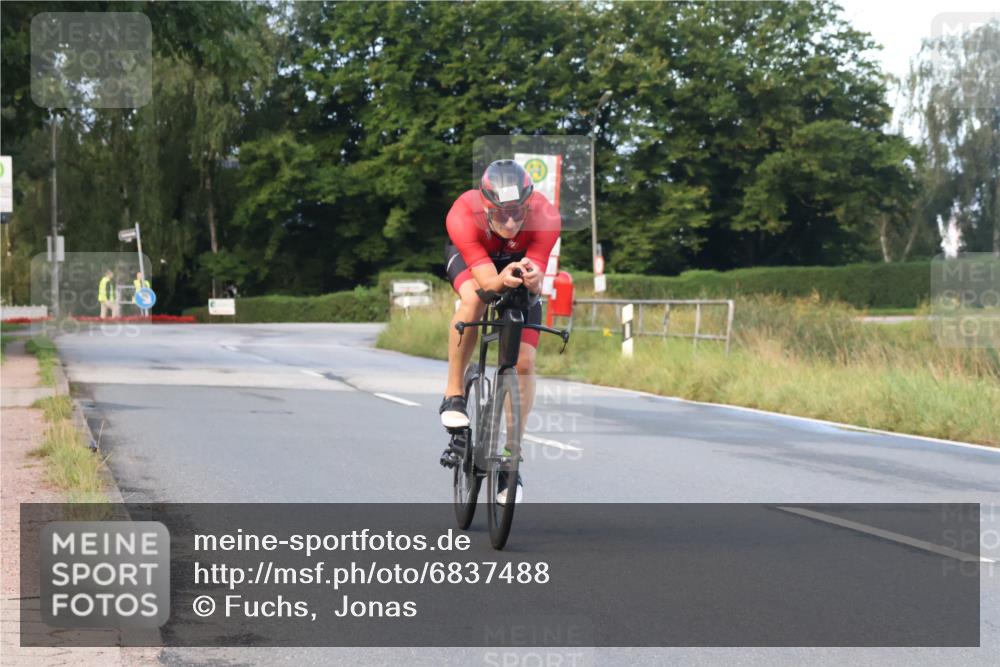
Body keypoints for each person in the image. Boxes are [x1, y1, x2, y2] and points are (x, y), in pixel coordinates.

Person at [440, 159, 561, 503]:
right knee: (473, 302)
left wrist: (534, 282)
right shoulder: (463, 214)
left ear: (529, 203)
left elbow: (535, 280)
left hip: (518, 263)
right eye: (501, 214)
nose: (510, 222)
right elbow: (487, 285)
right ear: (486, 206)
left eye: (519, 213)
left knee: (524, 363)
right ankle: (454, 394)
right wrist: (499, 280)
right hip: (474, 261)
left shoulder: (546, 217)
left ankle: (511, 458)